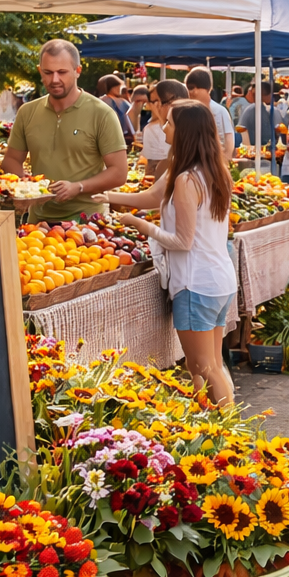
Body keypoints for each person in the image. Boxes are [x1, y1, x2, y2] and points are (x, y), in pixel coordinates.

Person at [101, 101, 237, 404]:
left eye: (170, 123)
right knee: (206, 365)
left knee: (205, 367)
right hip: (218, 280)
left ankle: (231, 432)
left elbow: (183, 241)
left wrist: (141, 225)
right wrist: (104, 195)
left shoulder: (186, 179)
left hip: (195, 284)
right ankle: (211, 425)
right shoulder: (213, 170)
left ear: (185, 131)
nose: (163, 127)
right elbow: (153, 197)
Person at [2, 39, 129, 221]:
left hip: (87, 222)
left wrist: (79, 187)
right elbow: (11, 160)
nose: (55, 79)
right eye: (48, 72)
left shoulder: (102, 113)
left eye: (62, 72)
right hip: (38, 222)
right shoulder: (27, 112)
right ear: (40, 72)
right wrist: (28, 186)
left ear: (78, 71)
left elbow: (119, 172)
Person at [185, 67, 236, 160]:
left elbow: (229, 137)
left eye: (191, 88)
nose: (190, 92)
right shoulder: (187, 111)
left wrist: (225, 161)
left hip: (216, 162)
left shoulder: (220, 111)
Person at [140, 79, 186, 177]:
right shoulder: (151, 129)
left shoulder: (192, 129)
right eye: (154, 102)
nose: (157, 106)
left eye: (160, 101)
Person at [238, 82, 289, 155]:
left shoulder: (249, 110)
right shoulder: (250, 110)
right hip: (264, 151)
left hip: (264, 151)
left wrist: (248, 150)